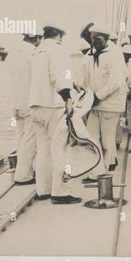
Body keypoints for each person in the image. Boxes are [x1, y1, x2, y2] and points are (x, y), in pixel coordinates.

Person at [29, 25, 81, 204]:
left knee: (43, 149)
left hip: (36, 106)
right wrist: (68, 98)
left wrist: (72, 84)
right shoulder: (58, 49)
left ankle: (43, 190)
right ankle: (60, 193)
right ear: (58, 35)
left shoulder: (37, 52)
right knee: (61, 148)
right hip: (54, 106)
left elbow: (43, 76)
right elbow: (57, 76)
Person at [83, 25, 128, 179]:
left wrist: (97, 97)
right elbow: (83, 77)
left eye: (98, 39)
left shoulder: (115, 54)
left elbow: (116, 81)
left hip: (110, 105)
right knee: (91, 138)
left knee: (107, 141)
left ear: (107, 39)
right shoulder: (91, 54)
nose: (94, 41)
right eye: (93, 38)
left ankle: (104, 172)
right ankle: (95, 170)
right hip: (94, 105)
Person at [6, 30, 42, 185]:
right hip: (29, 102)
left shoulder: (12, 53)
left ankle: (21, 169)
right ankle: (23, 175)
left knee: (20, 137)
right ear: (38, 38)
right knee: (30, 140)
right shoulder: (33, 53)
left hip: (15, 102)